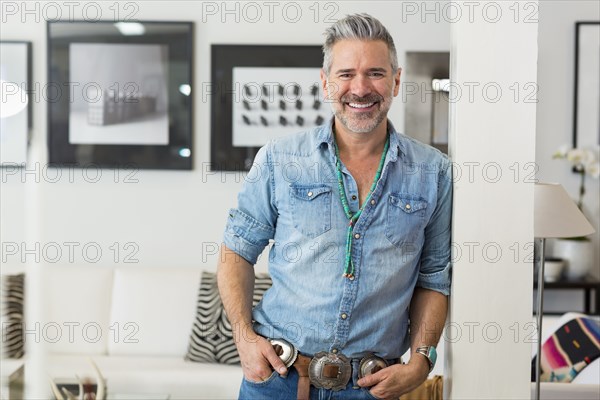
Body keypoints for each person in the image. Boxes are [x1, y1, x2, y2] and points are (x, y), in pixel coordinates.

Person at [218, 13, 452, 400]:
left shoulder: (433, 171)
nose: (360, 88)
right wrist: (244, 339)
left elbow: (434, 277)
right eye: (346, 74)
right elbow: (235, 252)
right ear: (326, 82)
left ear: (396, 80)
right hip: (277, 380)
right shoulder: (279, 160)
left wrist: (421, 362)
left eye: (375, 73)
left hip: (373, 388)